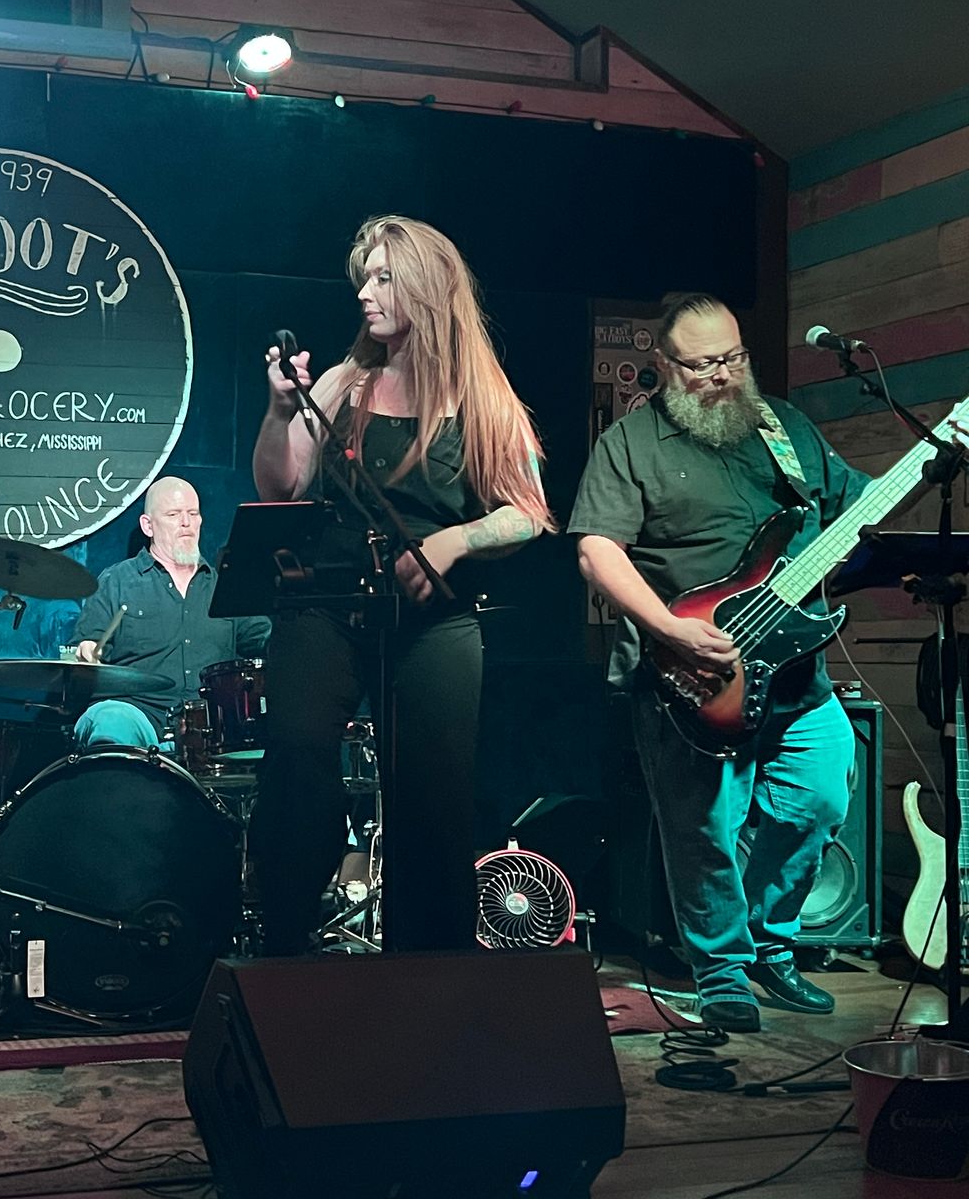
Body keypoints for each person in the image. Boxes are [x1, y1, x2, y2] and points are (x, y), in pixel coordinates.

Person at [250, 215, 552, 955]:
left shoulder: (483, 398)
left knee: (433, 801)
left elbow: (529, 514)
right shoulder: (342, 382)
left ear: (427, 286)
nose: (365, 292)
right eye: (365, 277)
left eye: (384, 278)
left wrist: (454, 540)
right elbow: (279, 489)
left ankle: (427, 975)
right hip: (327, 604)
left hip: (432, 619)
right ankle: (283, 941)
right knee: (297, 755)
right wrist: (280, 412)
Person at [569, 292, 869, 1033]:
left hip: (796, 668)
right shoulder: (632, 443)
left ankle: (770, 941)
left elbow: (856, 508)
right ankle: (724, 973)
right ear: (665, 365)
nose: (721, 376)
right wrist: (669, 628)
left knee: (820, 797)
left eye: (732, 358)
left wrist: (919, 479)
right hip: (692, 672)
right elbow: (597, 550)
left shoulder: (784, 428)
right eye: (701, 365)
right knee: (703, 829)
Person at [71, 476, 269, 751]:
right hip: (139, 716)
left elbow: (266, 642)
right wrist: (87, 649)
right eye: (174, 514)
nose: (186, 522)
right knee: (109, 720)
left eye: (193, 513)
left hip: (213, 726)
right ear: (148, 525)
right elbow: (86, 646)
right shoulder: (117, 582)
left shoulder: (226, 587)